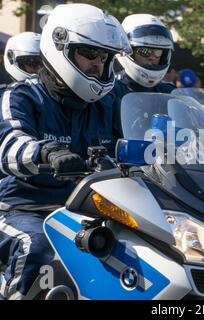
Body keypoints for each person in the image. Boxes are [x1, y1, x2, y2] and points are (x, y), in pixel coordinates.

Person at [0, 3, 130, 299]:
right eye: (91, 54)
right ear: (60, 47)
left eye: (106, 57)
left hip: (84, 210)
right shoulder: (21, 95)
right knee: (37, 246)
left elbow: (134, 143)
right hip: (20, 208)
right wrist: (46, 152)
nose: (99, 64)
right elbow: (7, 142)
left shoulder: (107, 104)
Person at [115, 14, 175, 95]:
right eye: (145, 51)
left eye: (158, 52)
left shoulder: (167, 91)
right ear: (127, 51)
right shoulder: (111, 89)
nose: (152, 57)